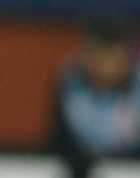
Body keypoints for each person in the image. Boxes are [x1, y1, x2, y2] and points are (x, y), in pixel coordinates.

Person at [51, 16, 140, 156]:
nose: (105, 66)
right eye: (97, 55)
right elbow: (58, 143)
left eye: (112, 56)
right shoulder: (71, 84)